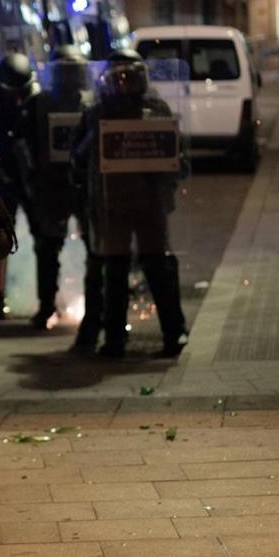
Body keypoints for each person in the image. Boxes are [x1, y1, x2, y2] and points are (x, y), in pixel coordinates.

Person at [73, 49, 188, 359]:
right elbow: (77, 160)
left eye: (131, 77)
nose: (125, 85)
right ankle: (113, 340)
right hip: (111, 205)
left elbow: (179, 156)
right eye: (118, 78)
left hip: (150, 203)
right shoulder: (96, 114)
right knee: (115, 272)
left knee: (157, 269)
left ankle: (173, 332)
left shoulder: (156, 109)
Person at [25, 46, 103, 344]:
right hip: (53, 183)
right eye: (65, 72)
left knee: (94, 248)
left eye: (74, 71)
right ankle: (47, 307)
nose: (70, 78)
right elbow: (26, 144)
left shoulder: (89, 103)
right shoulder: (41, 103)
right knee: (48, 248)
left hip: (80, 184)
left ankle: (84, 310)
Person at [0, 53, 37, 319]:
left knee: (44, 239)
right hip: (6, 177)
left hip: (24, 176)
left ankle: (44, 301)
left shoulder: (32, 101)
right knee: (0, 240)